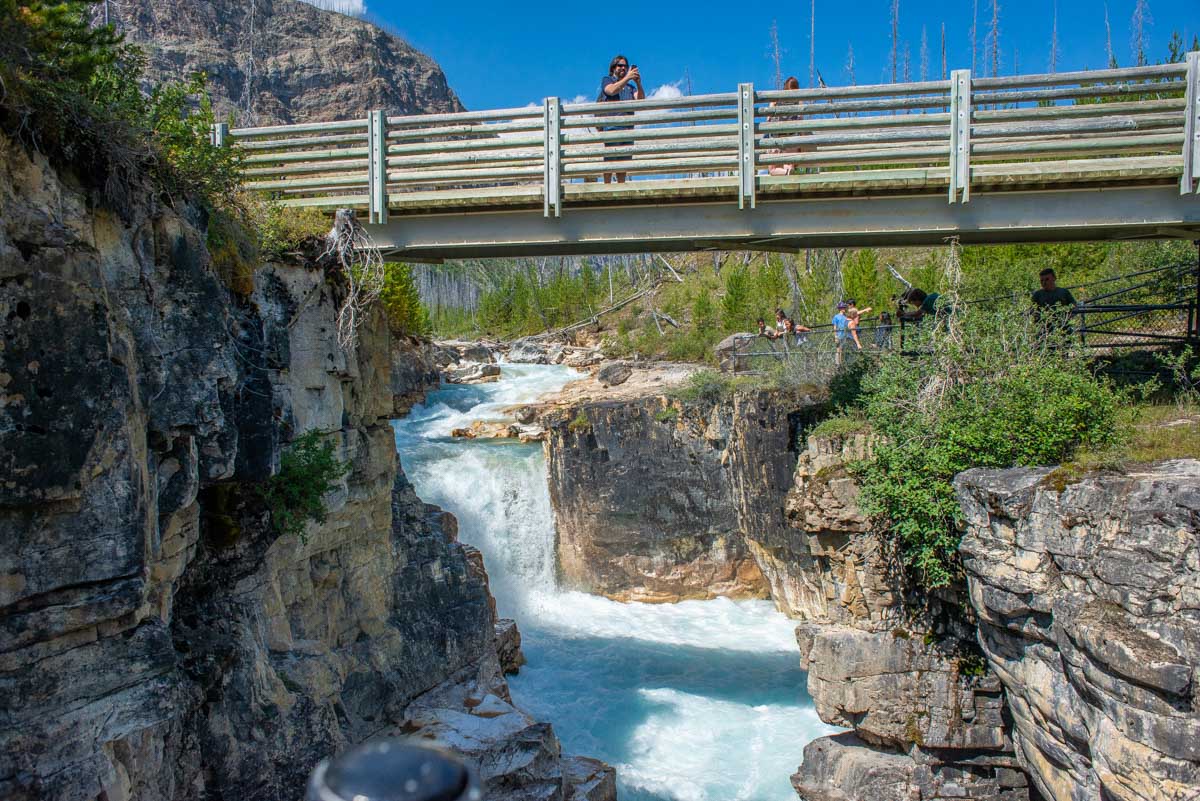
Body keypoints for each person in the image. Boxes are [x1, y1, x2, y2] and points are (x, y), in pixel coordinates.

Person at [598, 55, 645, 184]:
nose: (623, 68)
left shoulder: (630, 87)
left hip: (628, 129)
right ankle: (606, 187)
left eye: (625, 66)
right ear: (613, 68)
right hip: (612, 127)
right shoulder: (607, 80)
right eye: (620, 65)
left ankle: (621, 186)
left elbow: (640, 100)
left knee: (623, 163)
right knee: (610, 161)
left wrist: (638, 83)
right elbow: (611, 91)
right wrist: (627, 78)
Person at [767, 76, 811, 176]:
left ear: (785, 87)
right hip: (792, 140)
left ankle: (786, 172)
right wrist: (802, 142)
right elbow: (800, 122)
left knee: (772, 170)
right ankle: (788, 170)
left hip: (775, 139)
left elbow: (768, 120)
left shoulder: (775, 100)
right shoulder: (798, 102)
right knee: (790, 163)